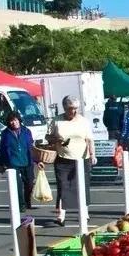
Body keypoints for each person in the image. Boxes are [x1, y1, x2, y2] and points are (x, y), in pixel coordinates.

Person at [42, 96, 96, 226]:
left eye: (76, 108)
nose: (74, 111)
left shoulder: (84, 121)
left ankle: (84, 213)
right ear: (65, 108)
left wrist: (92, 154)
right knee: (63, 186)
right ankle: (61, 215)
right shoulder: (57, 120)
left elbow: (89, 139)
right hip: (63, 158)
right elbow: (48, 137)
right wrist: (56, 139)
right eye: (71, 108)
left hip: (82, 158)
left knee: (83, 186)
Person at [0, 110, 35, 211]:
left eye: (15, 120)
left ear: (19, 120)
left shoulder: (27, 131)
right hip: (13, 162)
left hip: (27, 161)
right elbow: (2, 149)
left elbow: (32, 147)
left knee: (30, 184)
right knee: (17, 185)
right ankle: (21, 204)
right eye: (11, 121)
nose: (13, 122)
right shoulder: (5, 133)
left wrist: (37, 160)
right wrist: (2, 163)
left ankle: (27, 201)